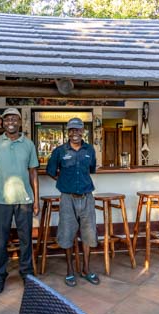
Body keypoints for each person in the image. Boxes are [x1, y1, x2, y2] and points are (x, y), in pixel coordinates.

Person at [0, 107, 39, 294]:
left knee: (25, 239)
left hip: (24, 199)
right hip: (0, 199)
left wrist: (36, 200)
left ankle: (27, 273)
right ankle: (0, 275)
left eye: (14, 119)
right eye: (7, 119)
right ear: (3, 122)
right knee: (0, 240)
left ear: (19, 121)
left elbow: (33, 173)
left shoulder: (29, 144)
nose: (10, 122)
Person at [46, 117, 100, 287]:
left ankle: (86, 269)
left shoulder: (89, 150)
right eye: (71, 130)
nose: (74, 133)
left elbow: (91, 169)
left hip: (87, 197)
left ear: (82, 131)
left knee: (88, 234)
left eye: (77, 130)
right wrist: (64, 181)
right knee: (67, 233)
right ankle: (69, 270)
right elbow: (50, 170)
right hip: (67, 198)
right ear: (67, 132)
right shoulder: (59, 151)